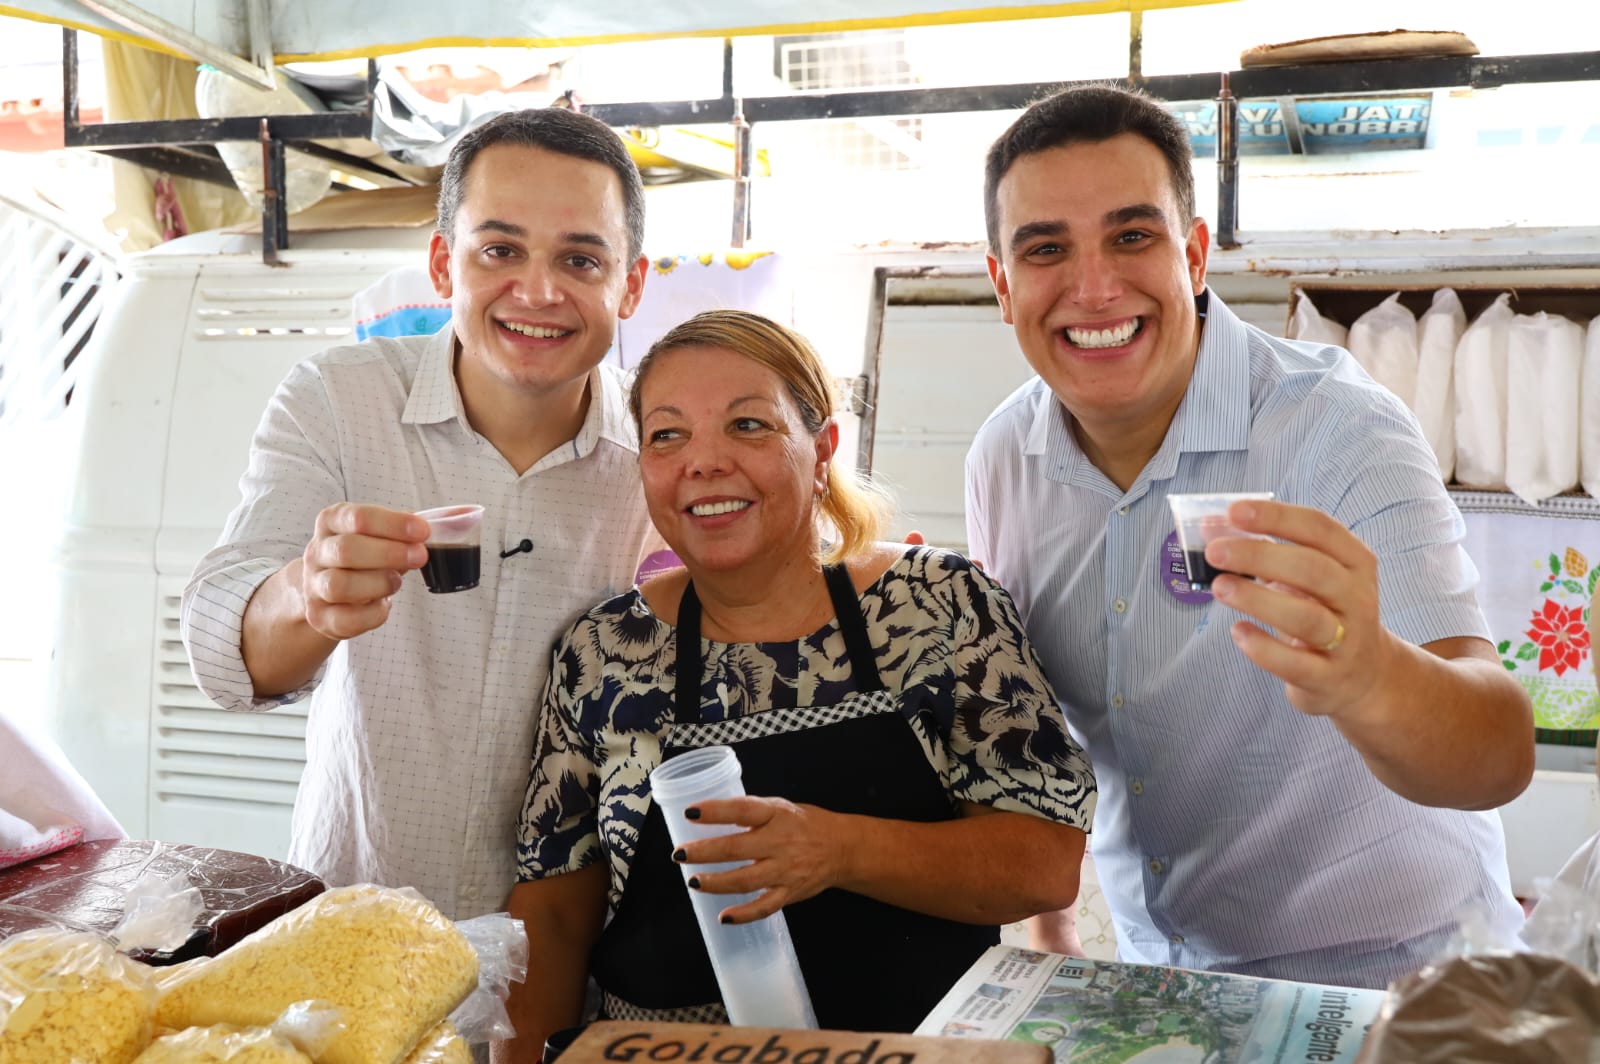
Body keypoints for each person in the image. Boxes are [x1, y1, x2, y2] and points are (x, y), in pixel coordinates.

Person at [966, 84, 1535, 989]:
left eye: (1132, 235)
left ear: (1193, 254)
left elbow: (1498, 752)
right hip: (1168, 979)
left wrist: (1370, 673)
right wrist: (1050, 925)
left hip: (1404, 977)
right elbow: (1033, 719)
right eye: (1045, 250)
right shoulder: (1005, 457)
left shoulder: (1337, 430)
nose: (1095, 287)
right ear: (1002, 285)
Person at [503, 310, 1096, 1057]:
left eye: (749, 425)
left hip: (918, 1049)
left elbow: (1044, 861)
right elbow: (554, 909)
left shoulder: (937, 605)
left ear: (822, 450)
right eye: (667, 433)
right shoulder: (604, 652)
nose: (704, 461)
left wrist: (838, 849)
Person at [181, 107, 655, 922]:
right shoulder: (336, 397)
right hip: (351, 930)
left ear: (631, 284)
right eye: (499, 250)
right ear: (443, 263)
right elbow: (224, 657)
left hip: (580, 959)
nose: (538, 291)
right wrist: (309, 593)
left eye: (580, 259)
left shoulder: (668, 448)